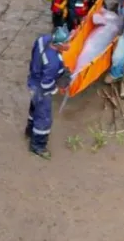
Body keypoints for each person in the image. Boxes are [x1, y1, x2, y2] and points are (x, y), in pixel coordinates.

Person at [24, 26, 72, 159]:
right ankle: (37, 146)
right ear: (59, 44)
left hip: (33, 81)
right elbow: (46, 84)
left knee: (34, 109)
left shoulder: (42, 40)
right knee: (44, 119)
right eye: (67, 43)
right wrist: (57, 88)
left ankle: (29, 131)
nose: (69, 45)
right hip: (41, 89)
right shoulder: (52, 62)